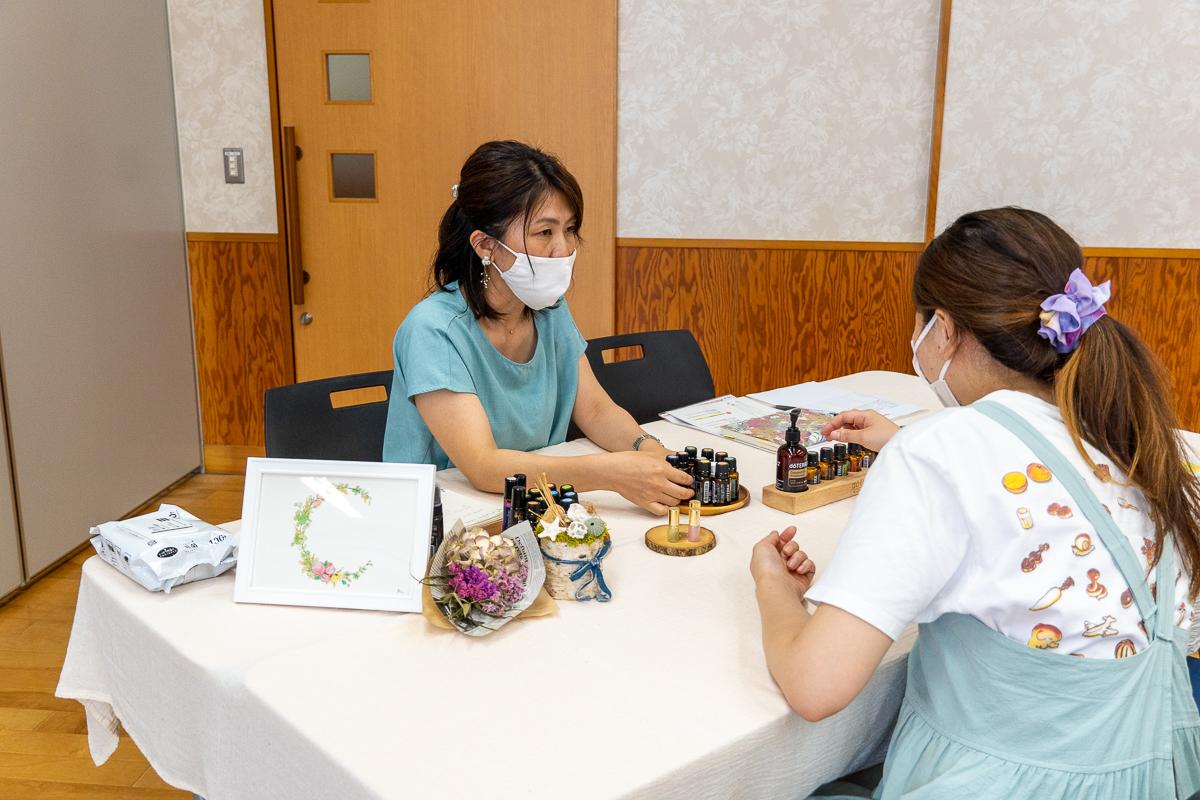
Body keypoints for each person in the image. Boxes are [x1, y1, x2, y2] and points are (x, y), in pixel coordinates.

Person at [750, 208, 1200, 797]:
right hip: (1151, 776)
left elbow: (815, 686)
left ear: (942, 327)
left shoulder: (938, 452)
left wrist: (775, 590)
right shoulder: (1132, 434)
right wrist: (913, 444)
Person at [383, 140, 692, 514]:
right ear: (485, 245)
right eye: (545, 233)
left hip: (534, 501)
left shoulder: (549, 310)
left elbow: (596, 410)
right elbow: (483, 466)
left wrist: (650, 450)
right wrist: (613, 473)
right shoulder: (432, 329)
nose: (563, 249)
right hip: (447, 515)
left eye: (570, 229)